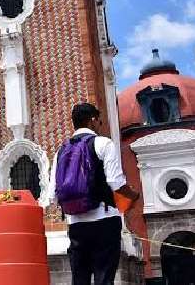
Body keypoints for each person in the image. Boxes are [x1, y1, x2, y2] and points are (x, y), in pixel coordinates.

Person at [48, 103, 140, 285]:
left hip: (76, 225)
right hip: (104, 221)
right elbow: (115, 182)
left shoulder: (61, 151)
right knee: (104, 278)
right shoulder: (104, 143)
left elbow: (53, 194)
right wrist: (133, 195)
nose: (100, 124)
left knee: (80, 279)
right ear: (92, 120)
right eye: (99, 120)